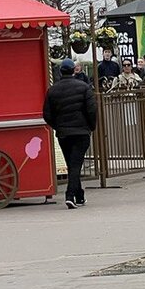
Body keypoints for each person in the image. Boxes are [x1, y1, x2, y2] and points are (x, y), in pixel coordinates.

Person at [43, 58, 98, 209]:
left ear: (60, 72)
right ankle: (70, 195)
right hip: (81, 132)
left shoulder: (52, 90)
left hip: (63, 133)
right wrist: (90, 126)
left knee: (72, 164)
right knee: (75, 164)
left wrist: (58, 126)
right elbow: (92, 110)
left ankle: (79, 195)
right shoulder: (84, 87)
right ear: (74, 70)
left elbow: (47, 114)